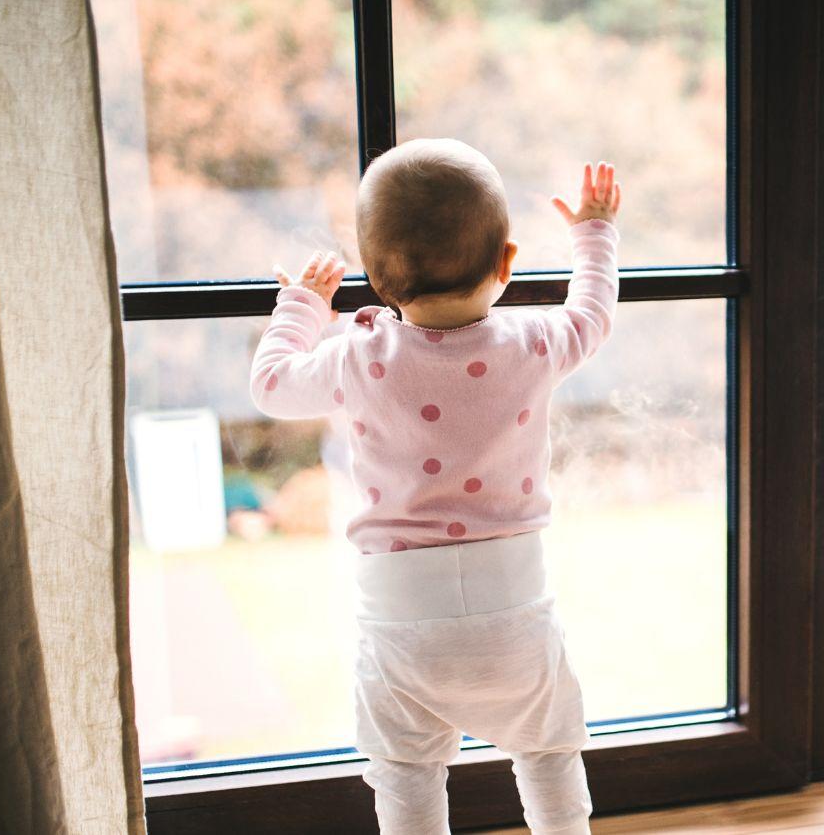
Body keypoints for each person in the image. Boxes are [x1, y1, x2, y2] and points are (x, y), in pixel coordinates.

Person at [250, 137, 621, 834]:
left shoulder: (358, 359)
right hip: (514, 606)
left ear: (377, 278)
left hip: (399, 617)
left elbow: (269, 385)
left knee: (407, 775)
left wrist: (302, 305)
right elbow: (593, 313)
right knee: (548, 752)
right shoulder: (535, 344)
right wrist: (593, 233)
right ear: (506, 262)